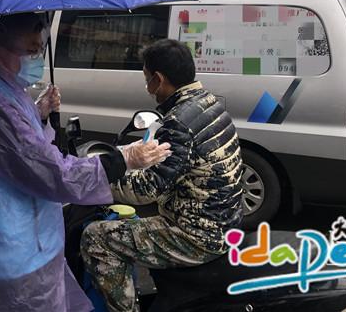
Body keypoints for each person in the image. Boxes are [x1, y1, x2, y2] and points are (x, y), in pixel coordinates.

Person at [0, 13, 171, 311]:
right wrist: (123, 159)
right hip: (12, 250)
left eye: (40, 50)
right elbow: (52, 172)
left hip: (21, 238)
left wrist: (38, 112)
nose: (36, 59)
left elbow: (18, 147)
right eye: (30, 52)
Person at [81, 39, 243, 312]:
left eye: (147, 79)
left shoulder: (178, 122)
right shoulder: (208, 102)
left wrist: (95, 179)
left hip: (198, 236)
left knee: (96, 236)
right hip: (226, 223)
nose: (148, 87)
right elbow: (176, 161)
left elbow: (146, 190)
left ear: (158, 79)